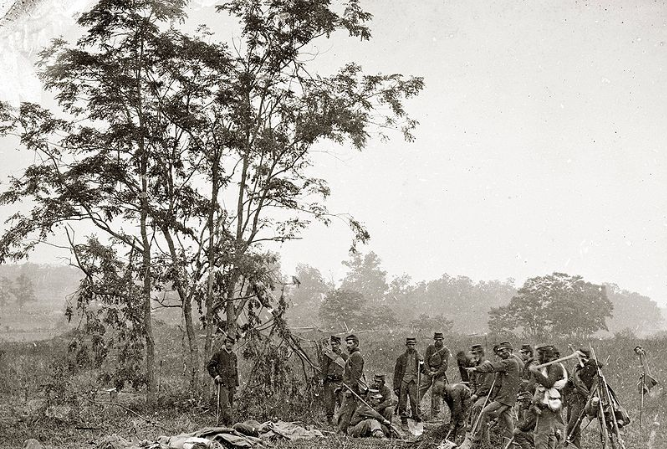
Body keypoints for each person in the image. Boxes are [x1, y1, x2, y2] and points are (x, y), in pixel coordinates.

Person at [468, 341, 523, 448]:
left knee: (485, 412)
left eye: (503, 351)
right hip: (505, 398)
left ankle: (477, 441)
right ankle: (509, 446)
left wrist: (476, 369)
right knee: (507, 424)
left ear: (510, 350)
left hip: (504, 398)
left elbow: (492, 367)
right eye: (499, 351)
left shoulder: (510, 362)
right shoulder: (507, 362)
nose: (501, 353)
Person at [529, 344, 568, 449]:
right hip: (548, 402)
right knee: (550, 435)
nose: (538, 357)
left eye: (540, 354)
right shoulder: (549, 366)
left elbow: (548, 383)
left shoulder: (555, 366)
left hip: (548, 404)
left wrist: (536, 372)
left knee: (541, 436)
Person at [566, 348, 601, 448]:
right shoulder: (577, 367)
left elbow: (585, 386)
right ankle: (576, 446)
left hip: (581, 401)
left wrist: (587, 396)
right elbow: (572, 381)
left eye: (580, 357)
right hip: (572, 399)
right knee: (572, 425)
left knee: (572, 425)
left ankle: (568, 444)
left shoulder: (590, 368)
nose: (578, 359)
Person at [207, 336, 239, 425]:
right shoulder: (219, 354)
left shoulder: (234, 356)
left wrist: (236, 384)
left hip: (231, 384)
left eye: (231, 343)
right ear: (225, 343)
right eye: (227, 342)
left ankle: (223, 424)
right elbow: (210, 366)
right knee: (225, 405)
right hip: (222, 383)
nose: (229, 344)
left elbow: (235, 370)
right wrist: (216, 376)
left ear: (233, 344)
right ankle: (229, 425)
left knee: (230, 405)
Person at [337, 334, 365, 434]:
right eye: (347, 343)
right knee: (349, 411)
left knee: (344, 412)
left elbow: (355, 375)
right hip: (348, 388)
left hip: (351, 390)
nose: (347, 345)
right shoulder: (352, 355)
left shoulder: (356, 356)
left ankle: (341, 432)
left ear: (356, 344)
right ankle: (348, 432)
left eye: (350, 343)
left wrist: (350, 389)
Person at [419, 331, 450, 419]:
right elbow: (425, 360)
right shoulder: (430, 348)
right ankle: (415, 409)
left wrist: (436, 373)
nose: (438, 341)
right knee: (421, 390)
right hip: (428, 372)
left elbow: (444, 365)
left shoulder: (445, 350)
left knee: (436, 392)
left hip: (439, 374)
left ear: (443, 340)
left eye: (440, 339)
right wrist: (428, 371)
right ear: (434, 340)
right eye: (436, 339)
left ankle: (435, 414)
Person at [393, 337, 423, 428]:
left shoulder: (419, 357)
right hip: (403, 382)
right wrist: (396, 387)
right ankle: (404, 421)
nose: (411, 346)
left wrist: (422, 364)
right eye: (410, 344)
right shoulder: (401, 358)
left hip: (413, 382)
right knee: (402, 402)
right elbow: (397, 373)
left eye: (413, 344)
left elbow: (423, 370)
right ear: (407, 345)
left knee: (415, 401)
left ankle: (416, 420)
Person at [322, 335, 348, 425]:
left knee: (342, 401)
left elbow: (348, 370)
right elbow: (324, 368)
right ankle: (330, 420)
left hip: (340, 382)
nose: (334, 346)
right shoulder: (328, 355)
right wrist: (325, 380)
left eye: (335, 344)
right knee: (329, 402)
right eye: (332, 344)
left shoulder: (344, 356)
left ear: (339, 344)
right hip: (330, 382)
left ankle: (342, 421)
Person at [468, 344, 494, 432]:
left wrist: (476, 394)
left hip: (487, 395)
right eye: (473, 354)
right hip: (477, 394)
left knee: (477, 406)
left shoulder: (487, 365)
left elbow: (487, 385)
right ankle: (469, 429)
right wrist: (472, 392)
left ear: (481, 354)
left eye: (476, 354)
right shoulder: (475, 366)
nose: (474, 356)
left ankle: (477, 433)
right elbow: (472, 381)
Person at [518, 344, 538, 418]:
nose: (521, 355)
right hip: (526, 391)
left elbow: (532, 381)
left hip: (532, 392)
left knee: (529, 412)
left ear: (529, 353)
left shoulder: (533, 364)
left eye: (523, 353)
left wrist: (526, 391)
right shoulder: (527, 364)